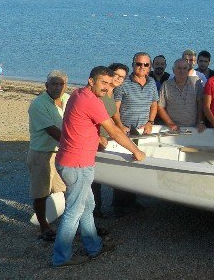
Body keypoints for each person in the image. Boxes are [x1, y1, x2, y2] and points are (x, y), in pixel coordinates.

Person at [52, 66, 145, 267]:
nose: (107, 87)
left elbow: (81, 123)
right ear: (91, 81)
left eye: (110, 84)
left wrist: (96, 135)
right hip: (76, 164)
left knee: (88, 206)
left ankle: (94, 246)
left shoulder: (77, 94)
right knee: (74, 211)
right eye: (103, 83)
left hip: (73, 160)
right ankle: (61, 257)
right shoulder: (90, 101)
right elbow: (115, 131)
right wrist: (135, 151)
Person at [112, 52, 158, 216]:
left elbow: (154, 104)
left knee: (136, 165)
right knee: (122, 166)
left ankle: (131, 202)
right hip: (125, 131)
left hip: (142, 131)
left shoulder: (152, 82)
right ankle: (119, 206)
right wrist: (119, 125)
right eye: (139, 64)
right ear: (133, 65)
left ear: (149, 67)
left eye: (146, 65)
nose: (142, 67)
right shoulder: (123, 84)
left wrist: (150, 122)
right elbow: (115, 108)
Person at [27, 70, 70, 241]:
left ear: (66, 86)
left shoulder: (67, 100)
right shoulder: (38, 104)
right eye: (54, 83)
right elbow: (53, 131)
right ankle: (43, 227)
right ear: (46, 85)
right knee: (41, 192)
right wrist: (77, 144)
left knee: (63, 189)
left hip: (61, 152)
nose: (58, 87)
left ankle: (62, 220)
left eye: (61, 84)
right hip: (41, 154)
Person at [91, 62, 128, 218]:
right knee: (94, 178)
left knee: (114, 171)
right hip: (97, 138)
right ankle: (94, 209)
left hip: (109, 138)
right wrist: (97, 136)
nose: (118, 78)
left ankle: (117, 206)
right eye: (116, 75)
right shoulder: (99, 94)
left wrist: (121, 127)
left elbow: (115, 115)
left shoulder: (112, 94)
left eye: (122, 77)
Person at [158, 58, 205, 132]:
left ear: (188, 70)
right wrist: (170, 123)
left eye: (185, 68)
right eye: (179, 68)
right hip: (172, 128)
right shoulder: (166, 85)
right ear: (173, 70)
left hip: (193, 128)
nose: (182, 71)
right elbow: (160, 107)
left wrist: (200, 121)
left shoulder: (196, 82)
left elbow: (200, 103)